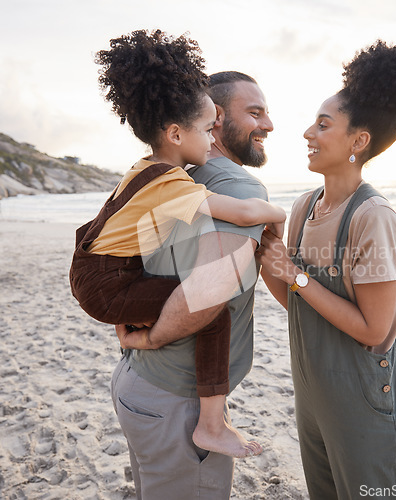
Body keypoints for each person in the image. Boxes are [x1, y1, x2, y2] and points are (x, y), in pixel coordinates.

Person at [69, 30, 284, 465]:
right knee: (215, 317)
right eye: (208, 128)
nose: (211, 136)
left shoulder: (149, 169)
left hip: (98, 277)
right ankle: (210, 425)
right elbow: (237, 224)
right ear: (175, 131)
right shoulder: (178, 183)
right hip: (162, 383)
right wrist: (278, 213)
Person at [257, 40, 396, 499]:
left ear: (358, 141)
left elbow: (373, 330)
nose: (307, 133)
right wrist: (268, 263)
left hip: (364, 407)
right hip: (313, 399)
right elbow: (298, 305)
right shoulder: (303, 207)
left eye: (323, 124)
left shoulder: (372, 217)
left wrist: (294, 274)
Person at [112, 70, 275, 499]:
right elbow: (208, 294)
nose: (269, 125)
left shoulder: (169, 179)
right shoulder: (237, 186)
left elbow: (132, 264)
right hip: (175, 403)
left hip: (137, 387)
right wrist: (152, 337)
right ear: (216, 119)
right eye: (255, 113)